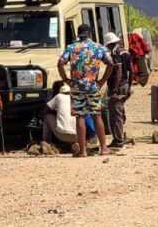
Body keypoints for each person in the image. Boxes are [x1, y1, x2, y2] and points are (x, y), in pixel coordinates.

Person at [57, 23, 115, 157]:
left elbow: (60, 63)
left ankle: (82, 151)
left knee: (80, 117)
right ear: (90, 34)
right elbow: (111, 63)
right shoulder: (98, 47)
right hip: (93, 86)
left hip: (76, 86)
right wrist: (102, 81)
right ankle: (104, 148)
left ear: (78, 35)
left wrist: (66, 79)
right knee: (97, 115)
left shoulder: (71, 47)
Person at [104, 32, 133, 149]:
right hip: (125, 84)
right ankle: (119, 137)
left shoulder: (115, 53)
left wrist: (114, 90)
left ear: (110, 44)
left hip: (118, 86)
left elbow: (118, 72)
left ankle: (118, 140)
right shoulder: (125, 52)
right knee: (119, 111)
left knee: (115, 114)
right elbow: (132, 71)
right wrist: (129, 87)